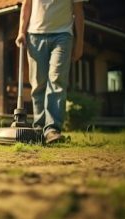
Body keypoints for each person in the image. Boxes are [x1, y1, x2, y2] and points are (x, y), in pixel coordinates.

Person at [16, 0, 87, 144]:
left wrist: (80, 43)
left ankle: (52, 129)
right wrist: (21, 32)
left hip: (63, 35)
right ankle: (39, 128)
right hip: (35, 35)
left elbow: (78, 11)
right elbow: (27, 5)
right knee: (38, 83)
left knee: (57, 81)